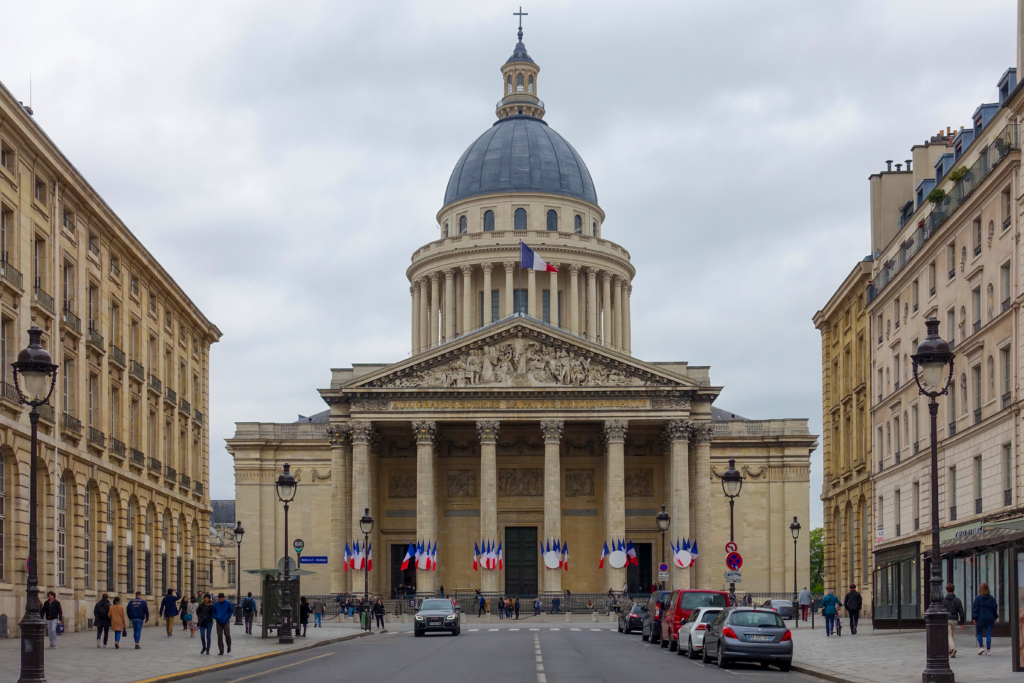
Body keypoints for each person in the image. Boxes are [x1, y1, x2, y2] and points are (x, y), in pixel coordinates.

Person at [972, 582, 999, 656]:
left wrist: (974, 617)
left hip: (980, 617)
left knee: (978, 633)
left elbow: (975, 608)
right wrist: (995, 617)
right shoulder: (991, 598)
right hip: (990, 617)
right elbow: (995, 608)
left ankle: (981, 647)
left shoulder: (978, 598)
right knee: (988, 634)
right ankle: (988, 650)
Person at [943, 583, 965, 658]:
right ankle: (950, 650)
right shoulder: (957, 600)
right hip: (955, 619)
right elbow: (961, 612)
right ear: (953, 590)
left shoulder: (944, 601)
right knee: (952, 635)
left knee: (949, 635)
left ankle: (952, 648)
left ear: (946, 590)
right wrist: (962, 622)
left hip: (947, 619)